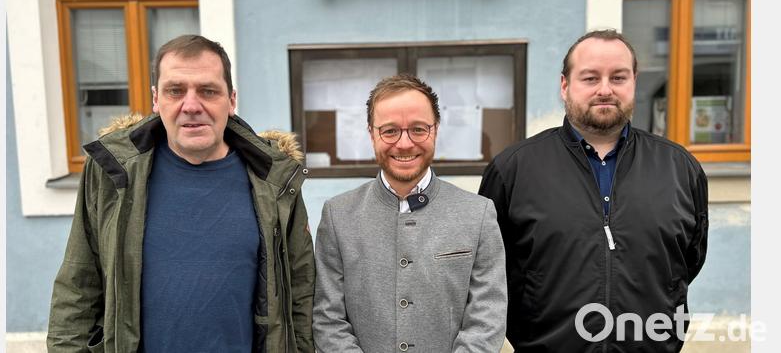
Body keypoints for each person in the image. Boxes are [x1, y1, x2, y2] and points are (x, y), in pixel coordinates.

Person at [47, 35, 315, 352]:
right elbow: (78, 286)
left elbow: (300, 291)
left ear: (231, 100)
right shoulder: (113, 173)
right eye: (175, 91)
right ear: (156, 99)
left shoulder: (273, 178)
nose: (191, 105)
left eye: (207, 91)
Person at [479, 29, 709, 352]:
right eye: (590, 78)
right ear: (565, 85)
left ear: (634, 82)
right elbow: (489, 268)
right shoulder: (513, 170)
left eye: (618, 77)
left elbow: (689, 259)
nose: (605, 90)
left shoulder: (680, 168)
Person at [313, 74, 507, 353]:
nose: (404, 144)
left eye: (418, 129)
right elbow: (327, 318)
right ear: (371, 134)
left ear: (436, 130)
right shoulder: (337, 216)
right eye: (390, 131)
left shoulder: (478, 214)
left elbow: (487, 318)